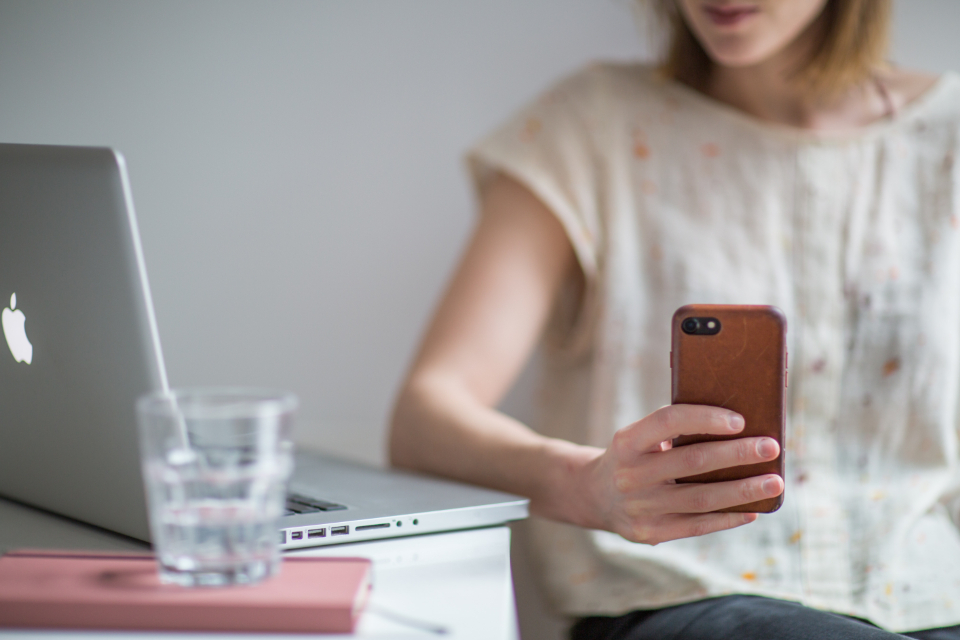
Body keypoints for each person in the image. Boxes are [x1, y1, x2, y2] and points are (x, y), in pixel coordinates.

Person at [389, 0, 960, 637]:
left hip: (934, 598)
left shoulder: (948, 135)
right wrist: (587, 486)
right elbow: (422, 420)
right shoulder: (595, 125)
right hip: (679, 597)